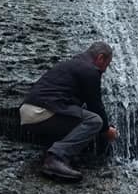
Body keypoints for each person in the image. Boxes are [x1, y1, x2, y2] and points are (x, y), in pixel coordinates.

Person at [20, 41, 118, 181]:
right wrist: (106, 129)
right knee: (94, 121)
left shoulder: (71, 65)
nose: (104, 70)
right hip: (41, 112)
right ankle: (56, 158)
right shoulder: (89, 70)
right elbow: (95, 105)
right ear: (100, 58)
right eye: (106, 65)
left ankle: (54, 152)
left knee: (81, 114)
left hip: (28, 111)